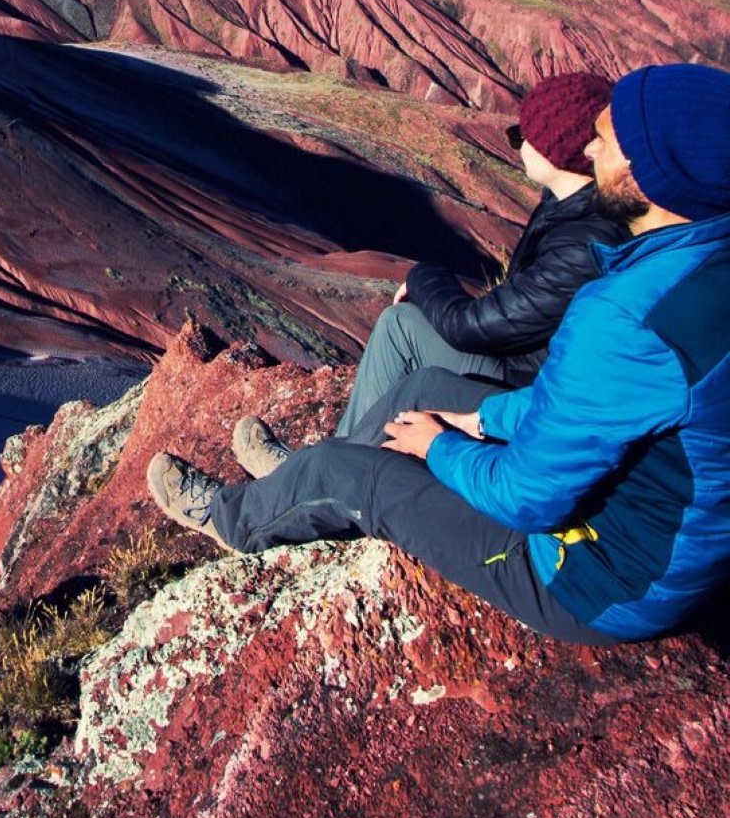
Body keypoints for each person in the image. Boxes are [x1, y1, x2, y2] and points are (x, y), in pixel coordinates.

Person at [148, 63, 730, 644]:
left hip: (594, 579)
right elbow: (595, 404)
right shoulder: (695, 269)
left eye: (607, 138)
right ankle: (297, 489)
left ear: (648, 172)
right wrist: (480, 418)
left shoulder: (627, 315)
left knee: (351, 473)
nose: (591, 146)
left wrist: (442, 445)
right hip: (647, 539)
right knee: (424, 393)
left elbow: (528, 499)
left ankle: (230, 518)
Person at [331, 70, 624, 441]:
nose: (516, 146)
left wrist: (424, 277)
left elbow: (468, 328)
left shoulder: (584, 240)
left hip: (528, 389)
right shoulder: (570, 209)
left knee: (401, 328)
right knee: (403, 323)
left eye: (521, 135)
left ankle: (333, 472)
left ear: (558, 148)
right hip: (530, 370)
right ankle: (332, 462)